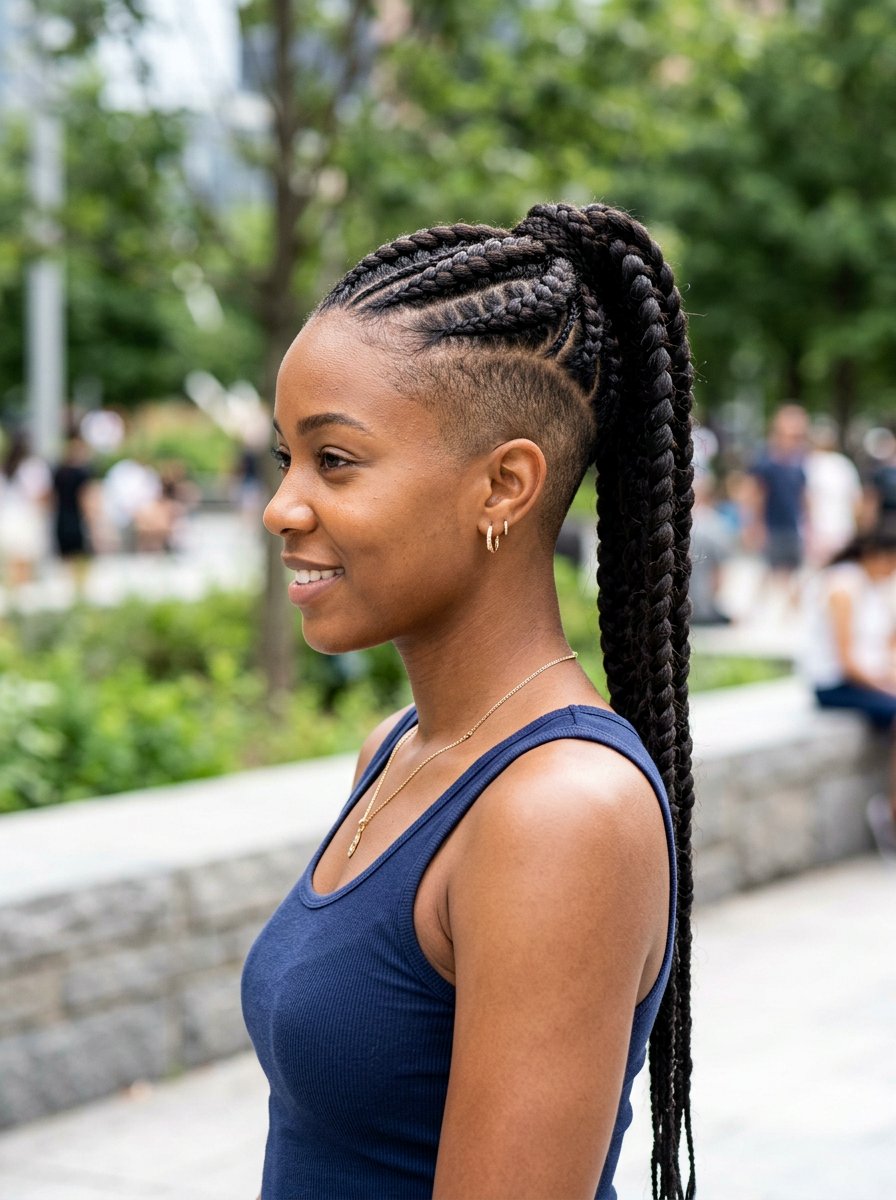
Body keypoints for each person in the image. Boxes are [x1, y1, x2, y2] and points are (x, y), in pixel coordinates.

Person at [241, 203, 696, 1200]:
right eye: (285, 459)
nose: (281, 507)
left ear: (503, 487)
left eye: (334, 460)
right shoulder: (396, 748)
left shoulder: (561, 811)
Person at [802, 521, 896, 854]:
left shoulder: (873, 587)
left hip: (866, 682)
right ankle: (891, 814)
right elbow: (847, 662)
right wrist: (887, 687)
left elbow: (886, 646)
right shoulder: (843, 587)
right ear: (877, 555)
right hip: (835, 685)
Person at [744, 403, 809, 606]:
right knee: (768, 571)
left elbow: (803, 497)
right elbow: (756, 496)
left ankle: (792, 611)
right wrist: (755, 525)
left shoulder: (799, 463)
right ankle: (756, 609)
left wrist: (808, 524)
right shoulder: (766, 463)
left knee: (794, 573)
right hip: (772, 526)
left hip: (792, 526)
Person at [804, 418, 862, 567]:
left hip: (818, 530)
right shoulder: (844, 464)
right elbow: (856, 501)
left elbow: (806, 499)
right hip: (843, 528)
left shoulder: (809, 463)